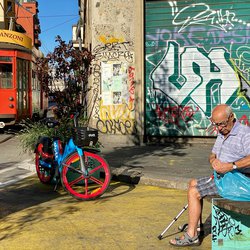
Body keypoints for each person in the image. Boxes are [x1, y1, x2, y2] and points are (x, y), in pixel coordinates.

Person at [169, 104, 250, 247]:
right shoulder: (222, 132)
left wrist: (231, 165)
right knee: (192, 182)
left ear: (231, 117)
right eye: (216, 125)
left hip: (240, 181)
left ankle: (191, 236)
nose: (219, 128)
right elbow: (213, 154)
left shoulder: (245, 133)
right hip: (225, 177)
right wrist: (213, 161)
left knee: (194, 192)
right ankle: (197, 226)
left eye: (222, 124)